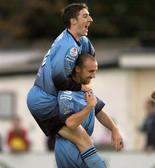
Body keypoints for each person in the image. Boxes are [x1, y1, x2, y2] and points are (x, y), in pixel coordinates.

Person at [27, 3, 110, 167]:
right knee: (83, 138)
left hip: (52, 96)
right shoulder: (67, 46)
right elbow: (59, 80)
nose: (91, 19)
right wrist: (82, 87)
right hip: (44, 101)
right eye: (85, 16)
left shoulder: (81, 41)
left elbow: (88, 60)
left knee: (78, 140)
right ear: (73, 21)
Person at [55, 54, 123, 168]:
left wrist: (114, 129)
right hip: (68, 147)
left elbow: (99, 111)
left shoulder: (85, 90)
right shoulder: (66, 94)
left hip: (83, 145)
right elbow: (70, 123)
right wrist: (89, 107)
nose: (93, 75)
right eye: (90, 71)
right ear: (77, 69)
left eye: (95, 71)